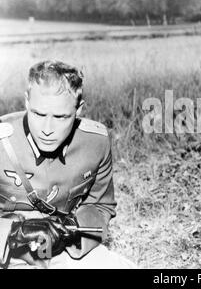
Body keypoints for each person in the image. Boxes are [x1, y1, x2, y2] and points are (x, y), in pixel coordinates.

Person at [0, 60, 135, 268]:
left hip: (64, 251)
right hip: (7, 253)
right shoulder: (3, 141)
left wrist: (71, 227)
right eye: (38, 114)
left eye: (61, 117)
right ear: (26, 101)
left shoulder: (95, 142)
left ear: (79, 109)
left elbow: (101, 206)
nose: (47, 128)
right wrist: (15, 231)